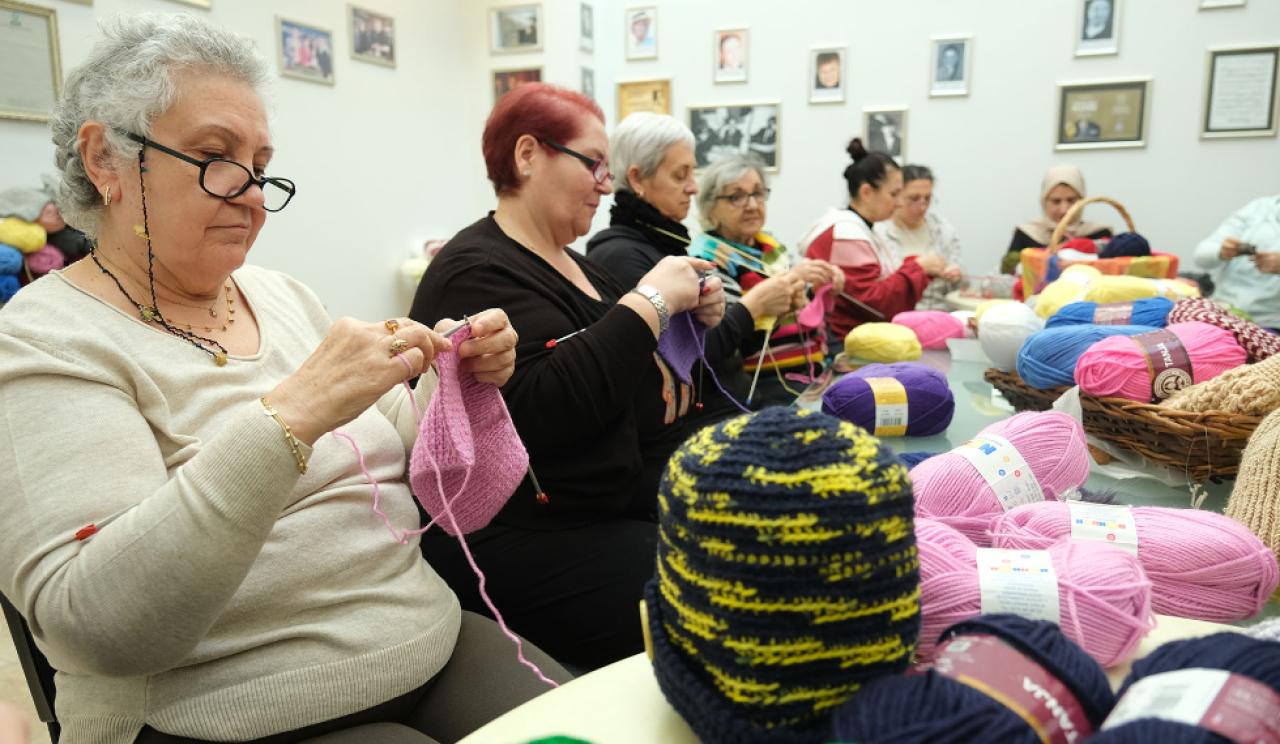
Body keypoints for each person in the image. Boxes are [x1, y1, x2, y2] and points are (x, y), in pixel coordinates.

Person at [0, 14, 556, 744]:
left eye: (261, 166)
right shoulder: (44, 341)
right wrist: (290, 415)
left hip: (430, 642)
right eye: (215, 158)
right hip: (231, 712)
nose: (254, 195)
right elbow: (98, 627)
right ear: (106, 160)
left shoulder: (281, 295)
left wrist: (459, 382)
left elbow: (415, 464)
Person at [409, 87, 725, 671]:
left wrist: (691, 317)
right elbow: (544, 415)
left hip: (603, 513)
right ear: (528, 154)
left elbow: (638, 398)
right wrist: (652, 302)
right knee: (731, 594)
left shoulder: (585, 269)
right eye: (594, 163)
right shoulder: (472, 271)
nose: (607, 185)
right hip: (520, 538)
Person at [691, 154, 843, 411]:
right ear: (710, 209)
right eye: (736, 197)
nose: (751, 205)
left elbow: (801, 313)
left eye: (758, 193)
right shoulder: (706, 262)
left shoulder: (772, 249)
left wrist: (819, 289)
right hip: (765, 389)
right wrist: (793, 283)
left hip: (811, 375)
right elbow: (729, 338)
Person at [799, 138, 947, 339]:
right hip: (845, 341)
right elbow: (874, 304)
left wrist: (919, 267)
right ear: (867, 192)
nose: (899, 204)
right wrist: (919, 268)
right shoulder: (847, 232)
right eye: (894, 194)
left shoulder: (861, 227)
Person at [875, 164, 964, 311]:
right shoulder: (879, 233)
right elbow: (881, 290)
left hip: (941, 312)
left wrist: (956, 275)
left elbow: (959, 289)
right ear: (897, 196)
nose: (922, 206)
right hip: (897, 315)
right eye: (914, 198)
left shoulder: (943, 230)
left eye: (927, 199)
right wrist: (920, 268)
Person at [1001, 164, 1112, 274]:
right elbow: (1009, 274)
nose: (1064, 210)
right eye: (1056, 201)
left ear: (1082, 200)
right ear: (1044, 201)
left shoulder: (1099, 233)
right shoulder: (1026, 234)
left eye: (1071, 200)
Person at [1194, 194, 1280, 330]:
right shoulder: (1258, 208)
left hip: (1270, 323)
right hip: (1220, 309)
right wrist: (1221, 252)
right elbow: (1200, 256)